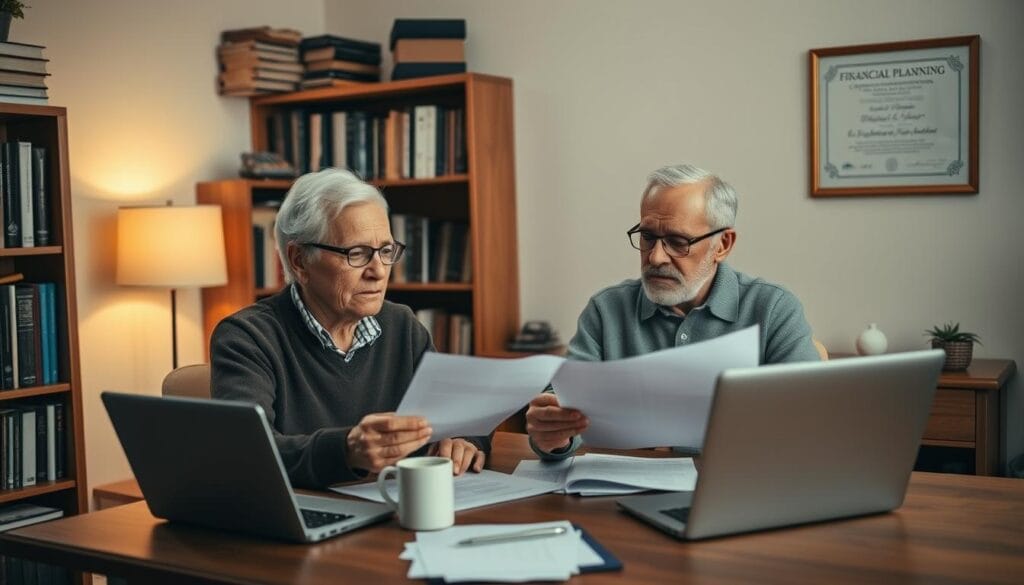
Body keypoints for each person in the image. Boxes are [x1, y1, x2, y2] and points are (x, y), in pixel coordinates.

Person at [211, 168, 487, 488]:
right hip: (300, 521)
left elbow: (461, 412)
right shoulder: (247, 338)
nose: (379, 272)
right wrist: (346, 450)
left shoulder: (402, 326)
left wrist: (464, 439)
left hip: (391, 513)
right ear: (300, 260)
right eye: (356, 253)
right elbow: (248, 452)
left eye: (385, 251)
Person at [526, 164, 819, 459]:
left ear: (723, 245)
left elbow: (807, 426)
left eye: (678, 242)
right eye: (647, 236)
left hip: (736, 489)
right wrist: (553, 437)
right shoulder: (606, 310)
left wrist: (679, 447)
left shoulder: (774, 310)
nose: (655, 256)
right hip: (621, 495)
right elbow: (565, 416)